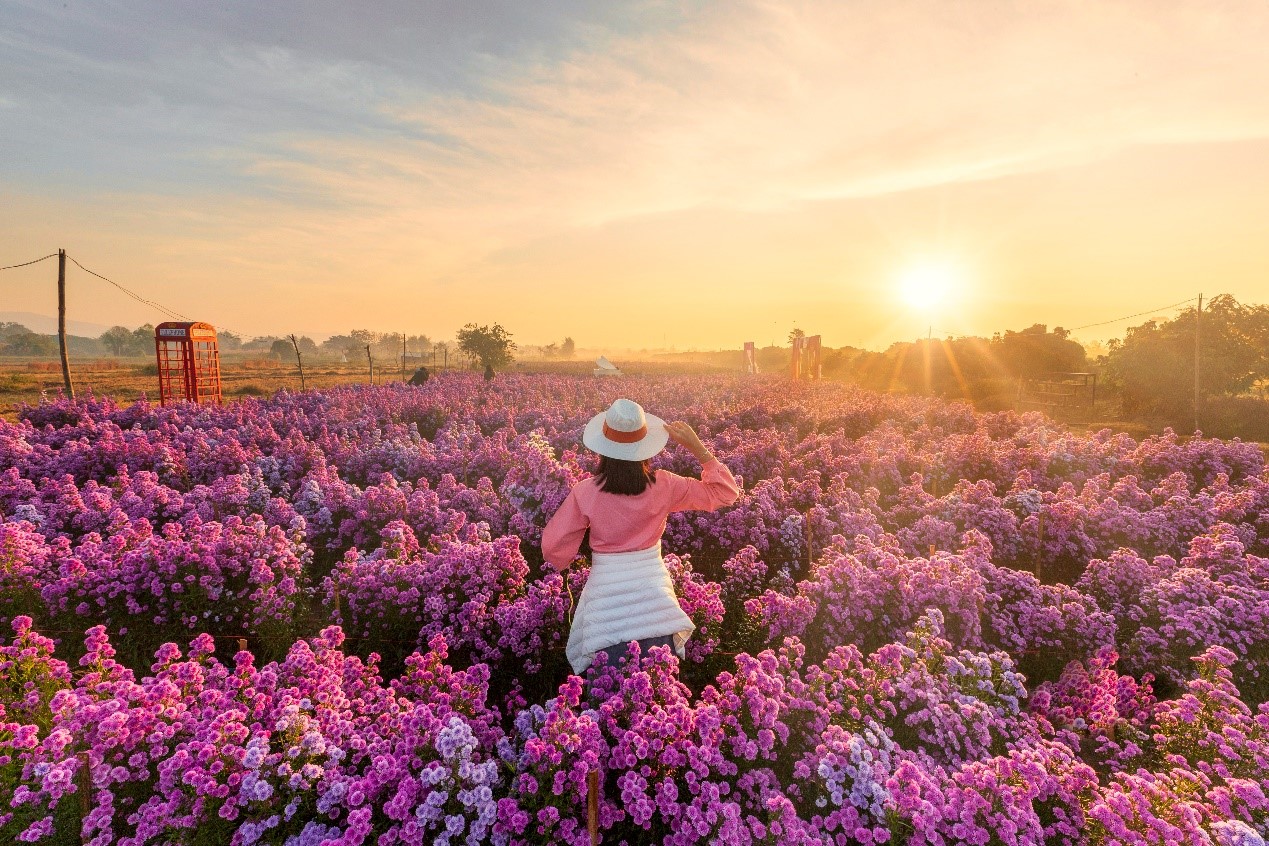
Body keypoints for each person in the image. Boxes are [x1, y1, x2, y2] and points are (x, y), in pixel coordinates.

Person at [542, 398, 740, 674]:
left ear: (604, 449)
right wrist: (699, 449)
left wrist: (567, 560)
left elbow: (553, 546)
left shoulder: (586, 491)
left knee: (607, 692)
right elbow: (725, 493)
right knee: (658, 690)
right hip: (654, 598)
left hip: (606, 599)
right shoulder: (665, 484)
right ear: (645, 446)